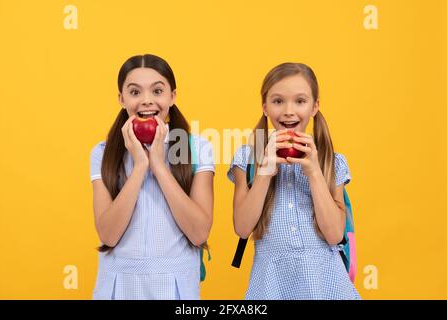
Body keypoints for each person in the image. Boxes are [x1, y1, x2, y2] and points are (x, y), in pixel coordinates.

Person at [227, 62, 360, 299]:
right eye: (278, 101)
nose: (289, 111)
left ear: (314, 106)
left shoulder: (333, 161)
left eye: (300, 101)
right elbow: (243, 227)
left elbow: (334, 235)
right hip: (270, 284)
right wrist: (265, 171)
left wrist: (314, 173)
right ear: (265, 107)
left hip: (326, 283)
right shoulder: (247, 158)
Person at [90, 54, 214, 299]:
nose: (147, 101)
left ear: (172, 96)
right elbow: (108, 235)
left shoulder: (197, 148)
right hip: (118, 285)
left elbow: (199, 233)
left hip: (175, 287)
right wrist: (139, 167)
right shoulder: (103, 153)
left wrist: (158, 165)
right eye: (135, 92)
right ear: (121, 99)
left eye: (157, 91)